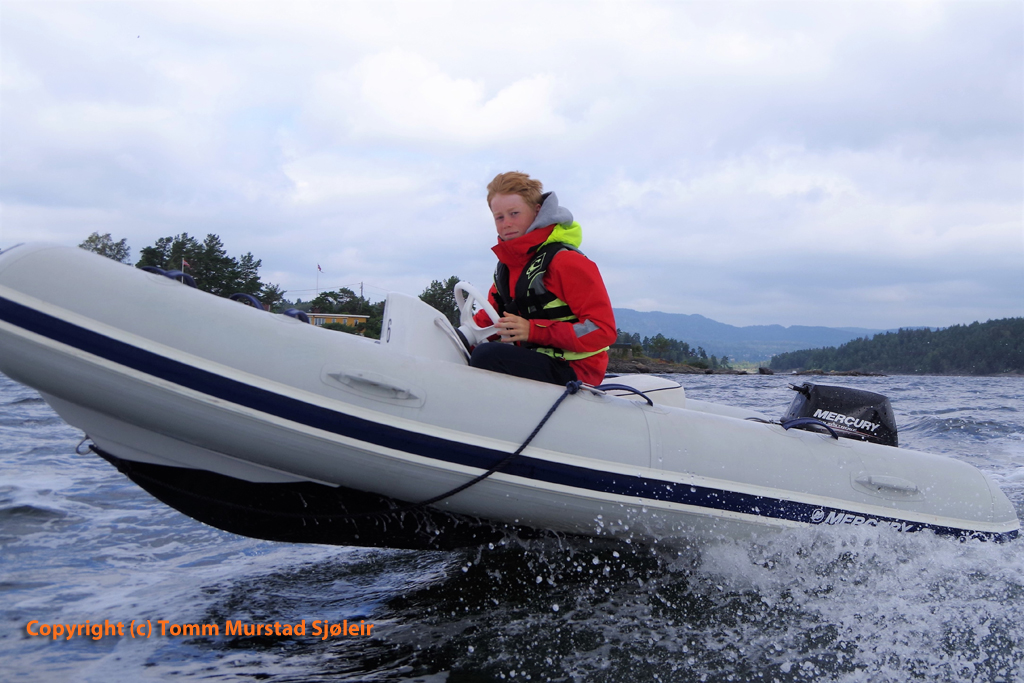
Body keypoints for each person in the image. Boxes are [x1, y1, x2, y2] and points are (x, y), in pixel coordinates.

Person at [469, 171, 616, 386]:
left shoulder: (566, 262)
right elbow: (490, 317)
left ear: (537, 211)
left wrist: (534, 330)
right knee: (465, 352)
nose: (506, 223)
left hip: (576, 370)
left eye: (514, 213)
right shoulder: (508, 268)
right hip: (534, 361)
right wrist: (460, 337)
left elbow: (603, 331)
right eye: (499, 217)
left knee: (487, 356)